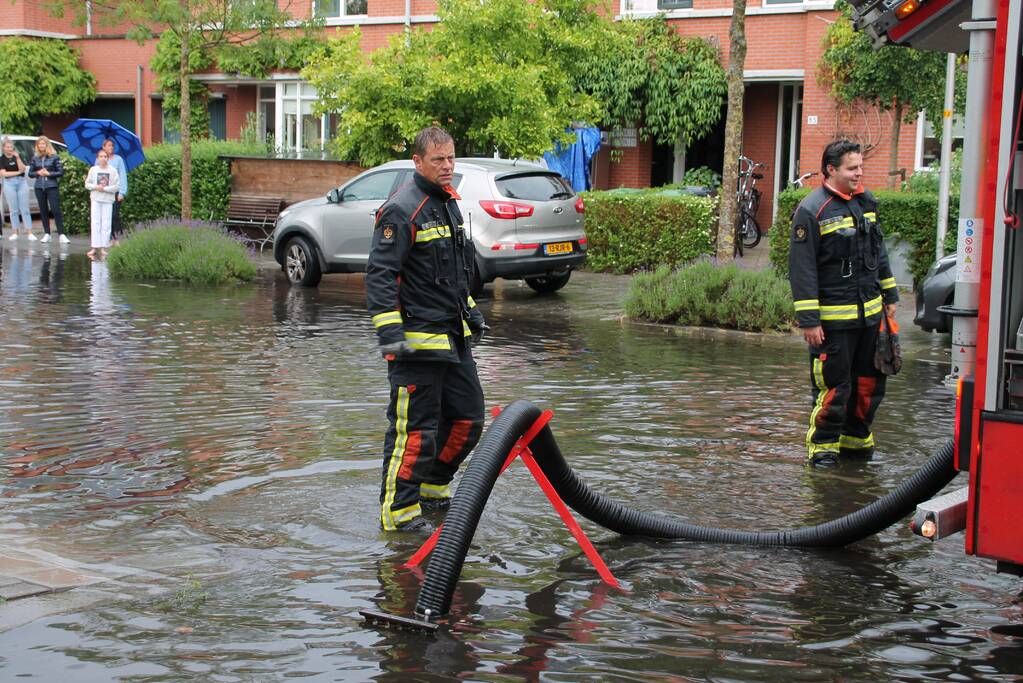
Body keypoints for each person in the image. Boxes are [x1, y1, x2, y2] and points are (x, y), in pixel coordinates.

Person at [366, 126, 488, 534]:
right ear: (417, 162)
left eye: (451, 158)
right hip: (414, 346)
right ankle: (398, 516)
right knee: (414, 432)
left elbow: (455, 273)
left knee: (468, 419)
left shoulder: (448, 204)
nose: (447, 166)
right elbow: (381, 276)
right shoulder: (401, 209)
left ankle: (433, 491)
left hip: (453, 339)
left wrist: (470, 310)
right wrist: (390, 336)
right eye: (438, 160)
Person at [789, 139, 899, 465]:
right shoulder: (811, 210)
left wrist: (890, 295)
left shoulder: (866, 202)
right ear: (831, 169)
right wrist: (809, 320)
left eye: (860, 167)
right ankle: (823, 450)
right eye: (852, 168)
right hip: (833, 323)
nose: (858, 173)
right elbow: (802, 269)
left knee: (869, 385)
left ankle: (855, 443)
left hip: (869, 316)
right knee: (834, 389)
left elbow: (878, 253)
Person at [28, 136, 69, 244]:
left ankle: (61, 234)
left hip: (51, 186)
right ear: (37, 146)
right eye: (39, 144)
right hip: (39, 187)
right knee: (43, 210)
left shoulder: (54, 157)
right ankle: (47, 233)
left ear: (47, 145)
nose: (41, 146)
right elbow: (30, 173)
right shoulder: (34, 158)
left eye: (43, 144)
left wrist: (49, 174)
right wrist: (38, 173)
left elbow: (60, 172)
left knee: (56, 210)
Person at [84, 150, 121, 259]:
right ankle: (95, 247)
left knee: (106, 223)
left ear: (108, 158)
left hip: (107, 200)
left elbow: (117, 186)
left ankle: (104, 247)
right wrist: (96, 187)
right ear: (98, 158)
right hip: (96, 198)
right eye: (101, 156)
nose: (103, 158)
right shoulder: (93, 170)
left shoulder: (113, 170)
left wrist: (105, 188)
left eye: (105, 156)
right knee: (95, 222)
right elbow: (87, 184)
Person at [1, 137, 35, 241]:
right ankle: (15, 232)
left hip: (21, 182)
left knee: (25, 208)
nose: (10, 149)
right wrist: (17, 173)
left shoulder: (17, 156)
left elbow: (23, 169)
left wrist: (18, 158)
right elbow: (3, 173)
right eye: (8, 147)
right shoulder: (1, 159)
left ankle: (29, 232)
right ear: (3, 148)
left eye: (11, 147)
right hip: (9, 183)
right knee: (13, 210)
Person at [102, 139, 128, 244]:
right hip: (104, 192)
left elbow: (122, 175)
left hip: (115, 191)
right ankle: (108, 238)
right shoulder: (100, 159)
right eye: (108, 145)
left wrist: (122, 192)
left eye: (112, 145)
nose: (111, 147)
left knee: (114, 215)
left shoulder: (118, 159)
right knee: (106, 216)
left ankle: (118, 237)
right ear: (103, 147)